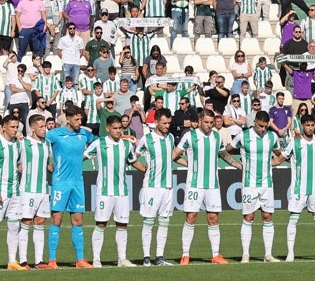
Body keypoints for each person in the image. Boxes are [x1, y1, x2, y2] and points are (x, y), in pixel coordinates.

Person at [172, 108, 231, 265]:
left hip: (213, 185)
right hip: (194, 185)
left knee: (213, 218)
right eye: (206, 122)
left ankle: (216, 255)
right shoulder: (190, 136)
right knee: (191, 217)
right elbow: (174, 154)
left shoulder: (217, 137)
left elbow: (224, 155)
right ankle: (185, 254)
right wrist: (188, 164)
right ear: (199, 122)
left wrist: (240, 166)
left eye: (212, 122)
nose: (209, 125)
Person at [43, 103, 97, 268]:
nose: (80, 122)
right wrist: (48, 164)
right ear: (68, 118)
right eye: (77, 119)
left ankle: (80, 260)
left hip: (78, 183)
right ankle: (52, 260)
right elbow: (40, 147)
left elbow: (100, 143)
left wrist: (124, 137)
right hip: (60, 182)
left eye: (81, 119)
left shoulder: (84, 134)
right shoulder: (55, 134)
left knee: (78, 220)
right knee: (56, 219)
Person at [227, 110, 285, 263]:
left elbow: (280, 155)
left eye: (266, 126)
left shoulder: (272, 137)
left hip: (267, 184)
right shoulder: (243, 136)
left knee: (267, 217)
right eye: (260, 126)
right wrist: (236, 164)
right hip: (249, 185)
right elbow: (224, 151)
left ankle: (268, 255)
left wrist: (270, 163)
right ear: (254, 123)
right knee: (249, 217)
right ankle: (245, 254)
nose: (263, 129)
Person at [282, 113, 315, 262]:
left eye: (312, 125)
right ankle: (290, 253)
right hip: (298, 188)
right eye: (307, 125)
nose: (310, 128)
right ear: (302, 126)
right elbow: (282, 157)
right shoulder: (294, 142)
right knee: (293, 220)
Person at [85, 114, 137, 267]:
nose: (118, 131)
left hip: (122, 191)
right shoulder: (99, 143)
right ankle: (96, 259)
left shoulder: (127, 145)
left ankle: (122, 259)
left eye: (120, 128)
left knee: (122, 224)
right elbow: (83, 156)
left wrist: (147, 170)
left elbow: (134, 162)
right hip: (104, 191)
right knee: (101, 224)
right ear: (108, 129)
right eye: (115, 128)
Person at [132, 108, 176, 266]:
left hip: (168, 187)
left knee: (164, 221)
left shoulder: (170, 137)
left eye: (169, 123)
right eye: (164, 123)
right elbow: (132, 157)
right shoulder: (147, 139)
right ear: (156, 122)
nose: (167, 126)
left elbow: (173, 157)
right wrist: (142, 168)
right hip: (151, 186)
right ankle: (146, 257)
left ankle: (160, 257)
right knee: (148, 221)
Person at [17, 113, 52, 268]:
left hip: (44, 190)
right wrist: (22, 170)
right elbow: (16, 162)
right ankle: (23, 260)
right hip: (28, 190)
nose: (44, 130)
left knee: (40, 223)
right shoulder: (23, 143)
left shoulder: (47, 144)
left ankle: (39, 260)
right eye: (41, 127)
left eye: (45, 126)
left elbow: (49, 166)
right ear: (32, 128)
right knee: (26, 222)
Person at [0, 114, 20, 269]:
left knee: (14, 227)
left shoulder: (17, 144)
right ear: (4, 127)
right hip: (2, 192)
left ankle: (12, 261)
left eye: (17, 127)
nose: (15, 130)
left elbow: (17, 165)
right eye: (12, 127)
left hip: (15, 192)